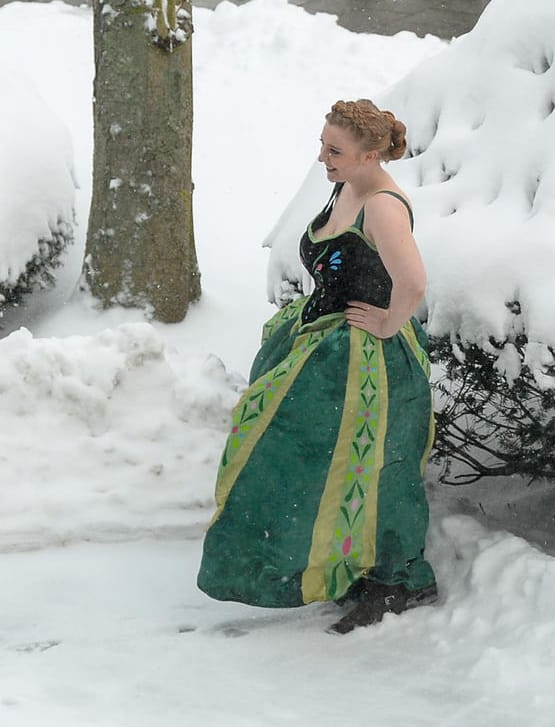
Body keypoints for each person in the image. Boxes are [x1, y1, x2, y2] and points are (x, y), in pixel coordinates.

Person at [196, 99, 437, 634]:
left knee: (371, 468)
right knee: (308, 461)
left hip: (366, 363)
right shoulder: (347, 184)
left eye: (335, 150)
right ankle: (341, 564)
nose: (323, 158)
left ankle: (398, 579)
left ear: (371, 155)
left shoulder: (383, 205)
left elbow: (414, 282)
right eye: (322, 145)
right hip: (324, 349)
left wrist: (387, 324)